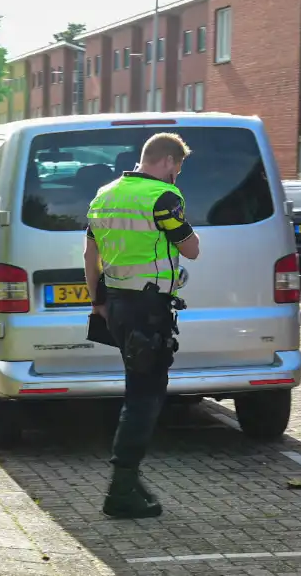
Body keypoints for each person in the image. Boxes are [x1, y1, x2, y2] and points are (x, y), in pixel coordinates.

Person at [83, 132, 201, 519]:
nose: (177, 176)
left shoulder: (104, 194)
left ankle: (130, 482)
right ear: (167, 160)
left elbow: (90, 253)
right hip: (147, 307)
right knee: (145, 395)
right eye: (178, 168)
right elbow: (191, 249)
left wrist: (97, 301)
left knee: (139, 387)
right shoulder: (164, 198)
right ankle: (121, 487)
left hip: (115, 303)